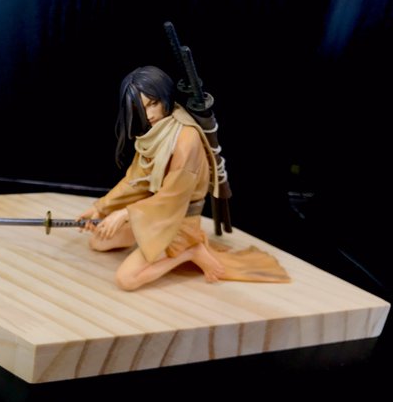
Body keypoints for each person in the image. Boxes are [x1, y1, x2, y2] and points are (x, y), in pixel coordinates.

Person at [78, 65, 290, 290]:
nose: (148, 115)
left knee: (126, 280)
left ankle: (189, 251)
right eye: (141, 107)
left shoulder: (186, 139)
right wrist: (101, 207)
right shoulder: (156, 132)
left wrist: (125, 214)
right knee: (98, 241)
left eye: (153, 103)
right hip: (155, 213)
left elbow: (173, 196)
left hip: (178, 219)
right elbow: (135, 180)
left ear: (165, 97)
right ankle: (147, 239)